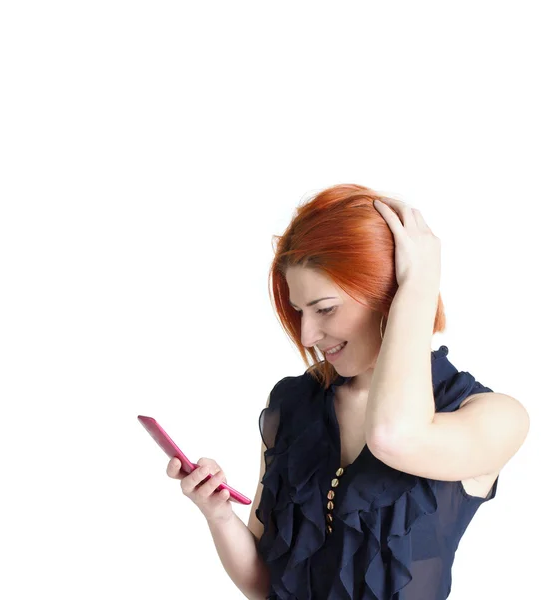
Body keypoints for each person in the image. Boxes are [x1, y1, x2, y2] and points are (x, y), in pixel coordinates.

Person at [166, 183, 528, 599]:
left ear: (388, 292)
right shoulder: (292, 404)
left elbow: (395, 437)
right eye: (300, 311)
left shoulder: (494, 416)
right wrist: (217, 515)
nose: (306, 334)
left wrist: (420, 286)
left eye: (325, 308)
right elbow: (266, 586)